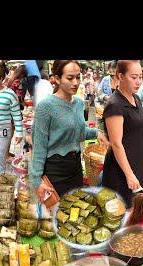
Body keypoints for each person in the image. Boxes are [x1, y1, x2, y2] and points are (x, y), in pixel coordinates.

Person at [31, 60, 109, 198]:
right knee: (57, 214)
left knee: (75, 212)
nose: (75, 82)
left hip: (75, 167)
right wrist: (37, 180)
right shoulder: (46, 106)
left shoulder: (79, 103)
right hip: (55, 170)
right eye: (69, 78)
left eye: (78, 77)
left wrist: (96, 133)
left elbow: (77, 131)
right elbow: (39, 146)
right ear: (56, 79)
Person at [101, 60, 143, 206]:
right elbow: (116, 143)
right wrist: (129, 174)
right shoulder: (115, 105)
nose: (138, 81)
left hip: (137, 162)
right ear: (120, 76)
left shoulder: (136, 98)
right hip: (121, 169)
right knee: (123, 215)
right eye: (134, 77)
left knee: (138, 211)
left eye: (140, 77)